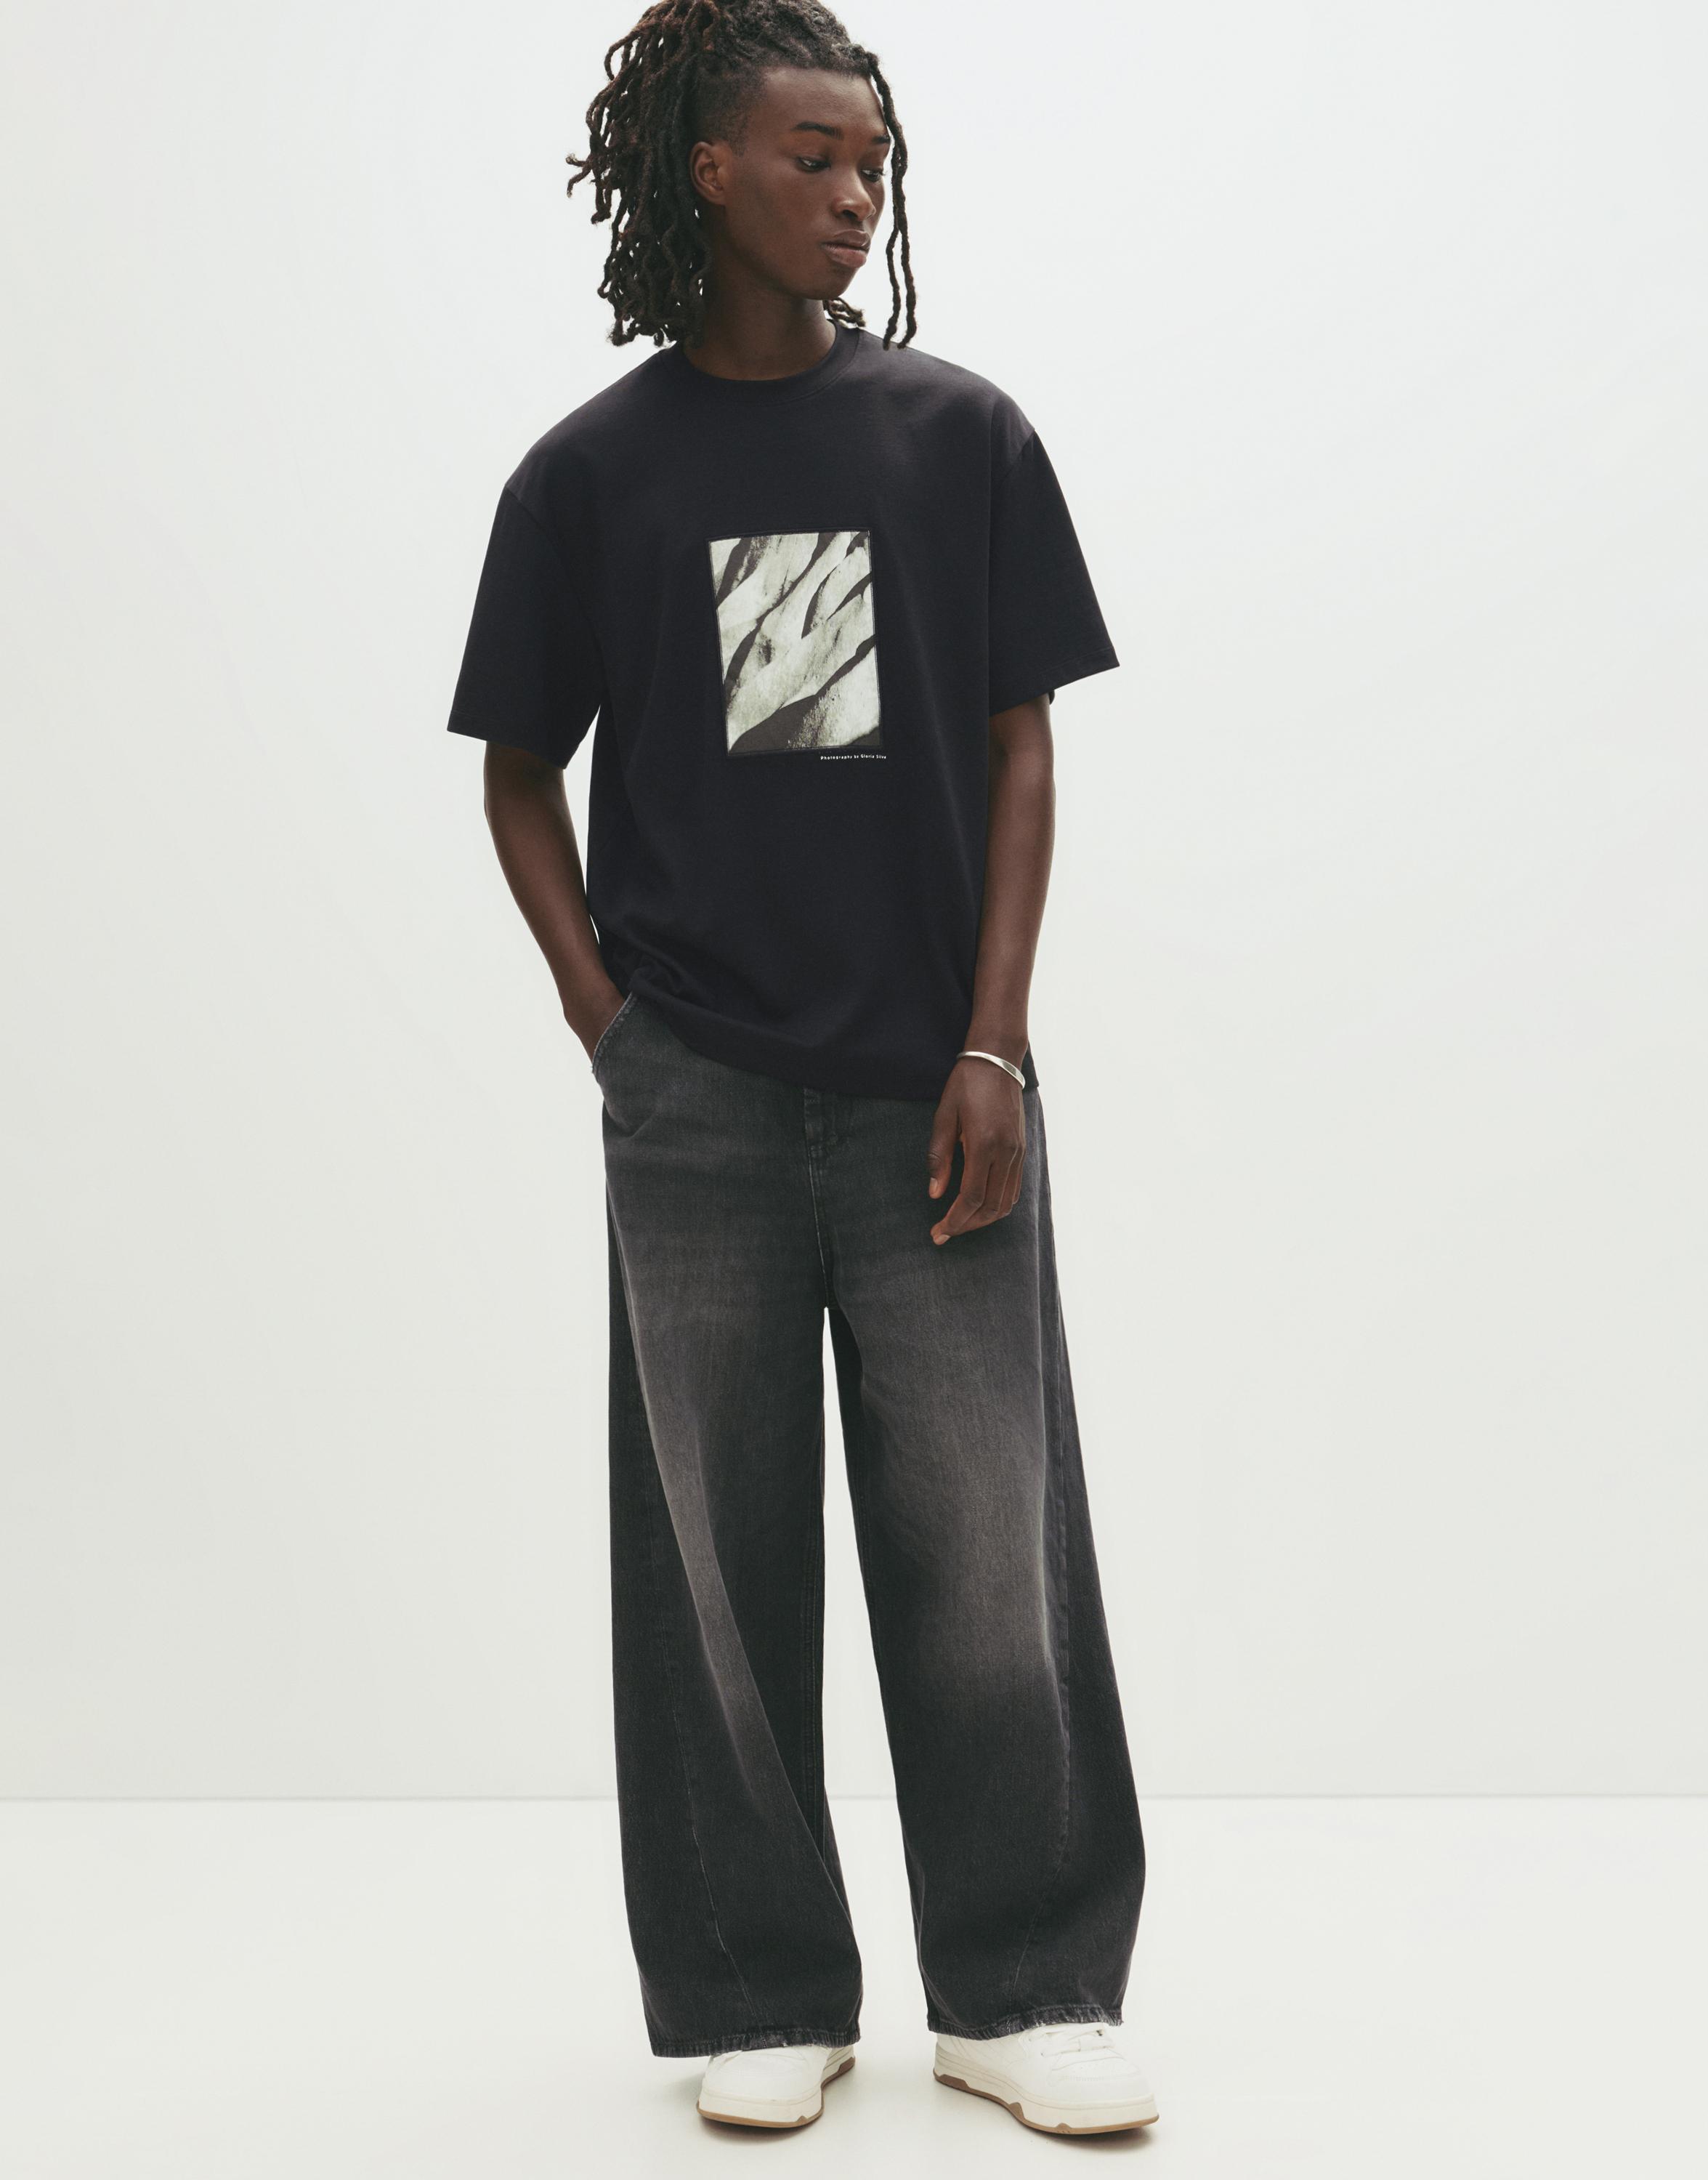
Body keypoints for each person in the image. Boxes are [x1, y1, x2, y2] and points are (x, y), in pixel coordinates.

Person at [445, 0, 1154, 2138]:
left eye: (875, 163)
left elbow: (1025, 749)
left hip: (939, 1089)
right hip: (697, 1102)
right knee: (712, 1566)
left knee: (987, 1548)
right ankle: (758, 1988)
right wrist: (612, 1026)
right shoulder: (588, 477)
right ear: (708, 170)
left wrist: (996, 1041)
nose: (857, 194)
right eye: (816, 156)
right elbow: (515, 776)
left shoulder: (962, 438)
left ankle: (1028, 1988)